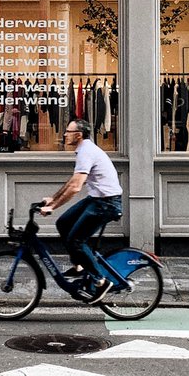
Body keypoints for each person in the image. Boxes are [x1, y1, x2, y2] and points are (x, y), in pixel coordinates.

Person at [40, 118, 123, 301]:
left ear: (78, 135)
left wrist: (53, 207)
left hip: (107, 203)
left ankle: (100, 281)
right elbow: (72, 181)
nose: (64, 135)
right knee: (63, 223)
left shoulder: (86, 151)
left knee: (76, 241)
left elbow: (76, 187)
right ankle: (79, 266)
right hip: (97, 199)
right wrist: (52, 198)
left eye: (68, 132)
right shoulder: (84, 150)